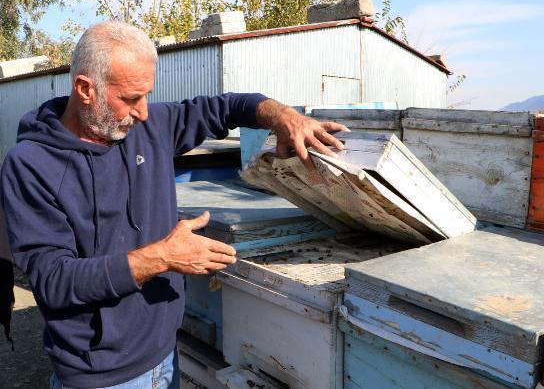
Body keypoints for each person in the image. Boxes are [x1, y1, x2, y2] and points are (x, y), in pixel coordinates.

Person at [0, 20, 348, 388]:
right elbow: (54, 280)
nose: (144, 112)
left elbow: (227, 107)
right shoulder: (31, 166)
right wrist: (162, 257)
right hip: (101, 375)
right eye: (131, 98)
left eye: (147, 94)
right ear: (86, 89)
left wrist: (283, 117)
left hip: (166, 354)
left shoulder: (149, 127)